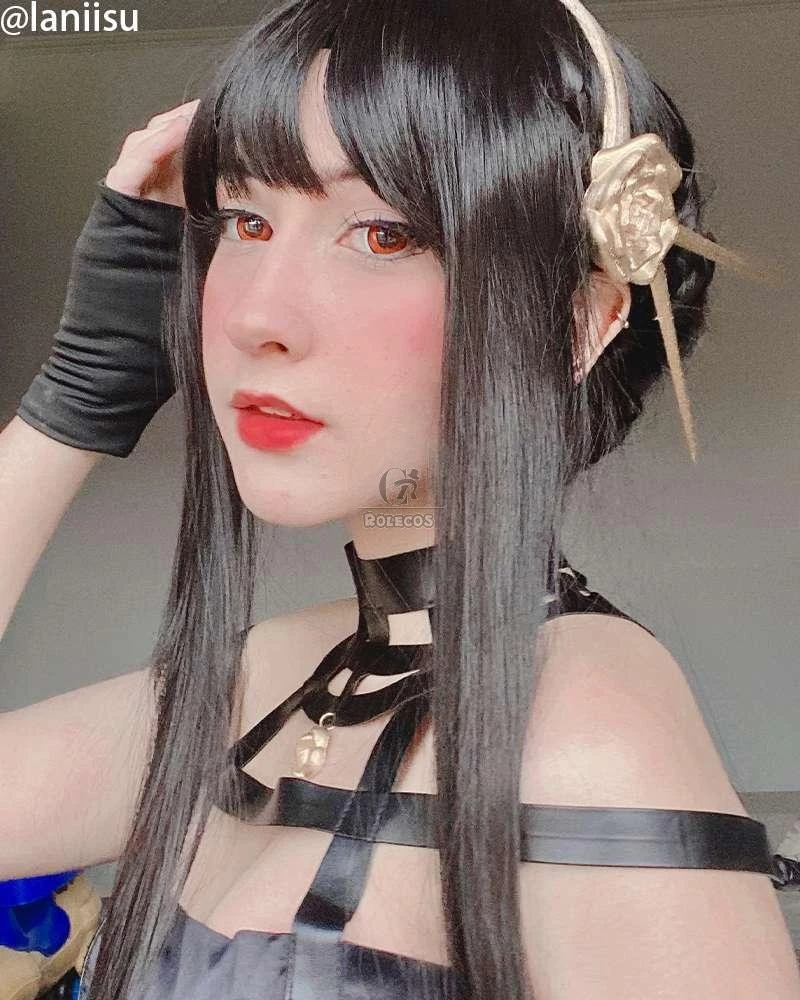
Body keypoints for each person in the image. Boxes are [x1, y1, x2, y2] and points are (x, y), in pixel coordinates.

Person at [2, 0, 797, 998]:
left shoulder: (582, 732)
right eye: (246, 221)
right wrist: (75, 402)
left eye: (381, 234)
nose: (256, 316)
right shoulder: (273, 678)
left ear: (579, 322)